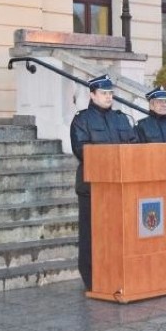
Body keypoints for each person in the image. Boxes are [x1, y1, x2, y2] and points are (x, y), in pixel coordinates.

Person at [69, 74, 137, 290]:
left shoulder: (121, 118)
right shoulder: (82, 119)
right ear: (92, 94)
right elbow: (82, 150)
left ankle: (116, 274)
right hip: (93, 188)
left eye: (110, 93)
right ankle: (92, 278)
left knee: (118, 235)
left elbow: (134, 147)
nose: (109, 97)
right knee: (92, 236)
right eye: (104, 93)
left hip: (121, 187)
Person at [134, 86, 166, 198]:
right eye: (160, 102)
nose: (164, 104)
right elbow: (138, 159)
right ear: (151, 105)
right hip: (151, 185)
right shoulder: (142, 127)